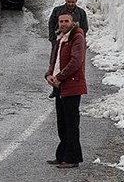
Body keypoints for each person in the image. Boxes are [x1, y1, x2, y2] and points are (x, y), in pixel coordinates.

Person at [45, 13, 87, 169]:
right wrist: (49, 74)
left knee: (71, 123)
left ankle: (72, 158)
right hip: (60, 86)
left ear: (72, 22)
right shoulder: (61, 37)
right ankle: (62, 155)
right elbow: (54, 59)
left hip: (72, 85)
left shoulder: (77, 37)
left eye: (66, 21)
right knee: (62, 123)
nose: (63, 24)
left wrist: (60, 77)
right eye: (61, 21)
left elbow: (76, 61)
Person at [47, 0, 89, 98]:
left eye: (72, 2)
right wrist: (53, 38)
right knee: (56, 63)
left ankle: (68, 88)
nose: (70, 4)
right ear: (65, 0)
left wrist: (79, 39)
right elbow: (51, 24)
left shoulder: (81, 13)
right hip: (59, 41)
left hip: (73, 43)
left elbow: (85, 27)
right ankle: (56, 89)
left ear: (76, 1)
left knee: (70, 64)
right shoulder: (58, 10)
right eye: (68, 1)